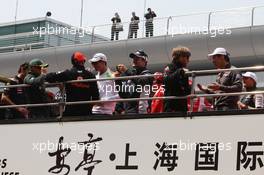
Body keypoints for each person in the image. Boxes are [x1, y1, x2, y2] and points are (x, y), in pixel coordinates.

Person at [45, 51, 99, 116]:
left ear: (73, 61)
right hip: (86, 112)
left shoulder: (67, 73)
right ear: (83, 61)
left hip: (71, 112)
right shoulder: (91, 75)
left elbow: (49, 77)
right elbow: (96, 97)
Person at [115, 50, 153, 114]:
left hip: (140, 112)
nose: (134, 60)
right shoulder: (131, 74)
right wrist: (117, 80)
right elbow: (123, 95)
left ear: (144, 61)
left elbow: (140, 82)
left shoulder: (148, 74)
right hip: (128, 112)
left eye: (137, 58)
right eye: (133, 58)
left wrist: (127, 71)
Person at [163, 46, 191, 112]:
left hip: (182, 107)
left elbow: (186, 90)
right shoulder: (169, 67)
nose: (188, 60)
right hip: (171, 107)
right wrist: (180, 71)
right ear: (181, 57)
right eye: (187, 57)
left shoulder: (183, 71)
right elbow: (167, 82)